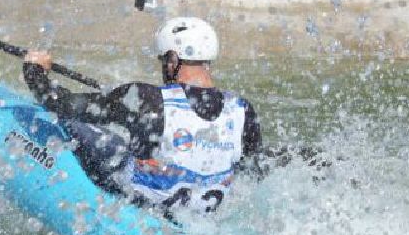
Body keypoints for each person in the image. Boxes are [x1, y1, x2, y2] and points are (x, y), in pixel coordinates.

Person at [22, 16, 261, 217]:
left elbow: (60, 103)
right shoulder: (241, 110)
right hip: (198, 219)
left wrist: (35, 71)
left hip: (147, 211)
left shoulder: (147, 98)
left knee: (72, 123)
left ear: (172, 60)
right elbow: (250, 170)